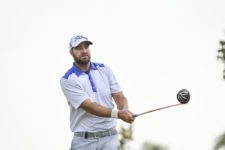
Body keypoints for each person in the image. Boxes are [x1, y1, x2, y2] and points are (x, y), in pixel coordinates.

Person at [60, 34, 134, 150]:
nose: (84, 51)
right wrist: (119, 114)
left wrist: (124, 109)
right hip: (84, 142)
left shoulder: (104, 69)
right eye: (79, 48)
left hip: (110, 138)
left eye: (86, 47)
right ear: (71, 52)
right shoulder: (68, 79)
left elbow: (119, 97)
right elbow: (89, 106)